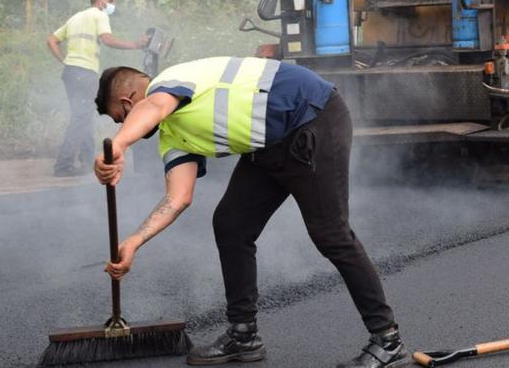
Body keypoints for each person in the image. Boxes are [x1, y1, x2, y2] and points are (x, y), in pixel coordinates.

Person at [93, 57, 411, 368]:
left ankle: (388, 341)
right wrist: (134, 241)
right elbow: (178, 198)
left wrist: (118, 145)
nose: (122, 124)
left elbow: (154, 107)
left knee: (331, 234)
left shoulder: (168, 83)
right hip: (268, 147)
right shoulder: (173, 133)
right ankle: (243, 335)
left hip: (311, 117)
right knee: (231, 224)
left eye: (119, 116)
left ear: (128, 100)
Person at [46, 0, 146, 177]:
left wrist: (65, 60)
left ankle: (86, 161)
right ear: (100, 2)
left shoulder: (76, 18)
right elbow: (107, 39)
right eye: (111, 1)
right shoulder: (99, 15)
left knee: (84, 116)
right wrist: (134, 45)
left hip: (71, 72)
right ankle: (63, 165)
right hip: (84, 73)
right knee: (80, 118)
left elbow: (51, 40)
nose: (112, 6)